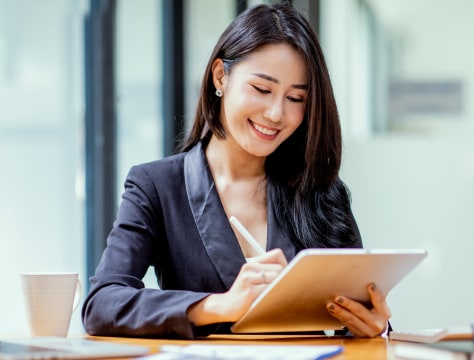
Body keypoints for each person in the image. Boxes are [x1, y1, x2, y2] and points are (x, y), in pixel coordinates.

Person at [81, 2, 391, 339]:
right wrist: (220, 304)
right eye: (262, 89)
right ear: (220, 76)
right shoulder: (157, 187)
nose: (276, 113)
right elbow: (102, 304)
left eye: (296, 98)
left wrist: (375, 327)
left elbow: (356, 316)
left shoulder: (321, 191)